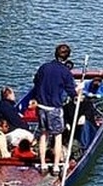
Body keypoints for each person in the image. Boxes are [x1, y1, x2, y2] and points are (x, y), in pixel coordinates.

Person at [32, 43, 79, 176]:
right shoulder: (65, 72)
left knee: (43, 135)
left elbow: (36, 82)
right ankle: (56, 167)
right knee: (58, 136)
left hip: (41, 106)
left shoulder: (44, 67)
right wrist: (77, 94)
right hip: (54, 108)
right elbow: (71, 91)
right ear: (67, 57)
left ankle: (43, 164)